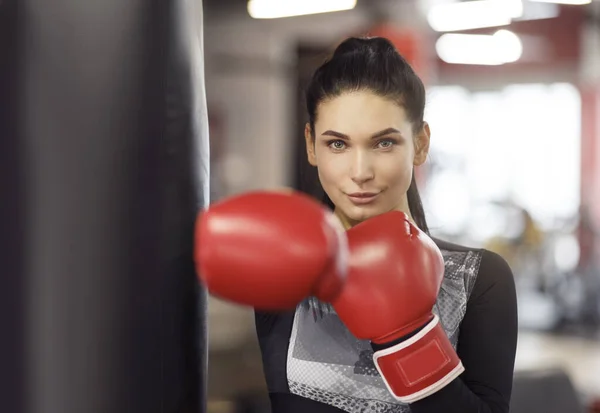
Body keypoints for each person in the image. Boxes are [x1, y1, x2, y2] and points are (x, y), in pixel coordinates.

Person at [196, 37, 518, 413]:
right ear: (311, 146)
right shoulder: (287, 264)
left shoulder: (475, 278)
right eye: (337, 144)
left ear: (420, 143)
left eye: (383, 143)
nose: (360, 173)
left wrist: (408, 336)